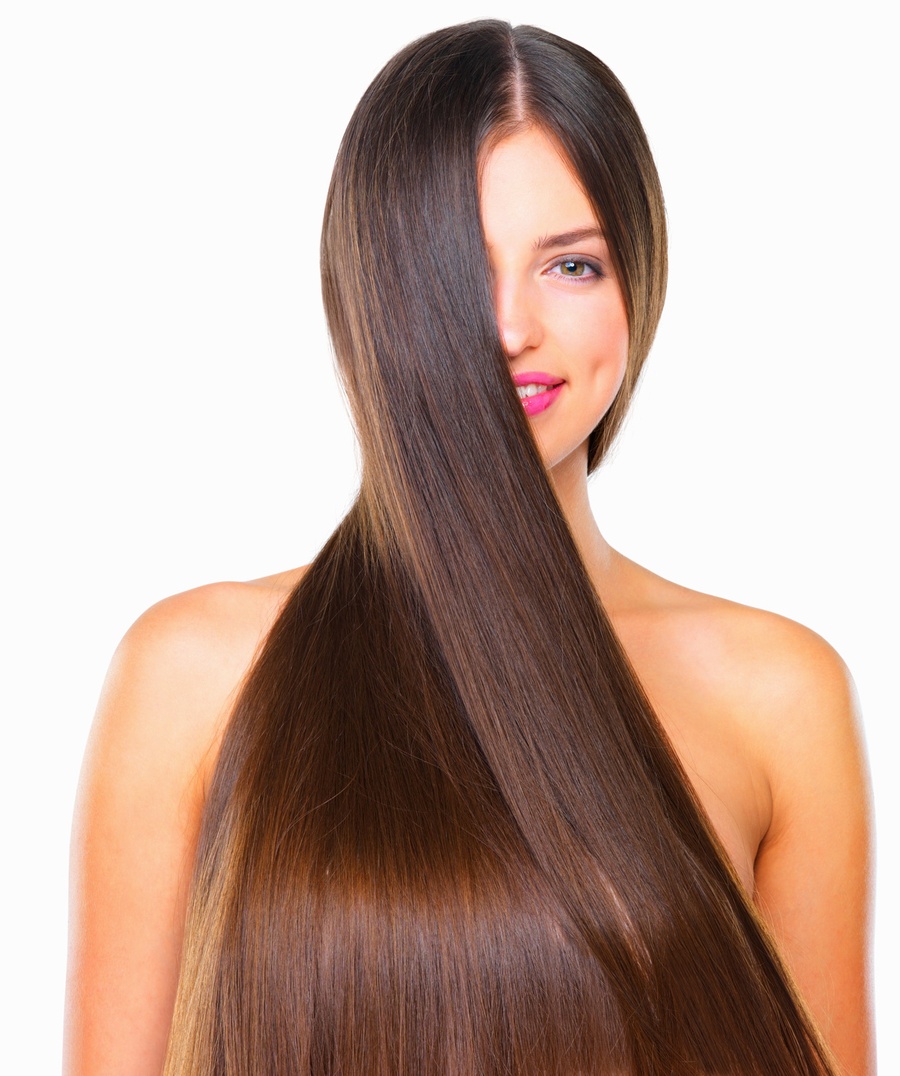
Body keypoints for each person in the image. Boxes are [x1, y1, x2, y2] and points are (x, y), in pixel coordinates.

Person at [64, 19, 874, 1076]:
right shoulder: (193, 672)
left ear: (640, 285)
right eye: (456, 267)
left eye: (572, 265)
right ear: (370, 290)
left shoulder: (778, 691)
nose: (509, 327)